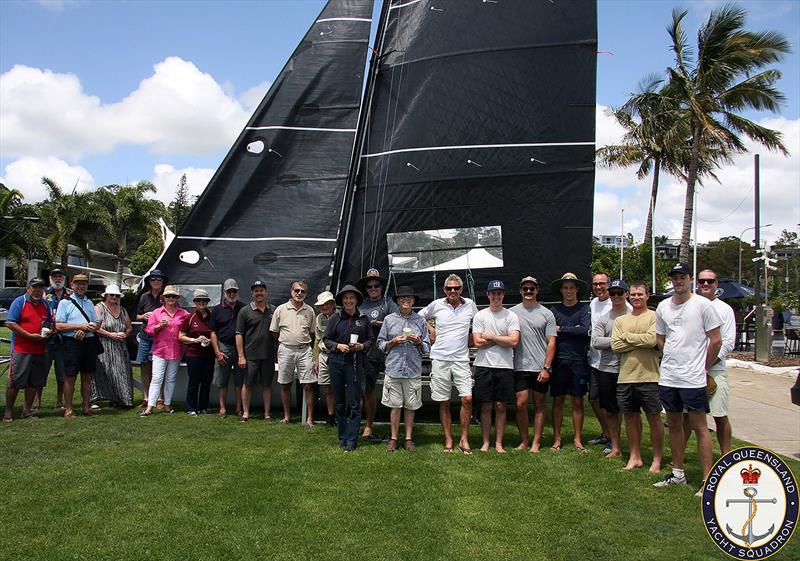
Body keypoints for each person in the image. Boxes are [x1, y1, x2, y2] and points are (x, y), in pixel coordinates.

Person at [654, 262, 721, 495]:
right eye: (675, 277)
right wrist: (670, 357)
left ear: (690, 279)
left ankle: (707, 480)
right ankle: (678, 473)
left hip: (693, 379)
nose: (678, 281)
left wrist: (704, 366)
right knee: (673, 423)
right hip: (669, 377)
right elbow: (660, 338)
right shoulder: (663, 306)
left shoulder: (703, 305)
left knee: (700, 427)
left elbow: (716, 339)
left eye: (682, 277)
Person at [418, 274, 478, 454]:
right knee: (443, 401)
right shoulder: (437, 304)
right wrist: (430, 329)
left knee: (467, 398)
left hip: (461, 359)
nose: (453, 291)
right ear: (444, 290)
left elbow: (481, 322)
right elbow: (419, 316)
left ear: (461, 289)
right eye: (449, 288)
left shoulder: (470, 305)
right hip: (440, 358)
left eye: (456, 288)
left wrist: (472, 337)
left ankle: (464, 438)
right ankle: (448, 439)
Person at [611, 281, 664, 473]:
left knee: (654, 418)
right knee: (630, 418)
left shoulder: (654, 317)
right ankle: (635, 457)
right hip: (626, 377)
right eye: (633, 294)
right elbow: (616, 346)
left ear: (647, 296)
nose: (636, 298)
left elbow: (652, 340)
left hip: (649, 376)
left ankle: (657, 459)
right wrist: (639, 340)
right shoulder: (620, 321)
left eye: (640, 294)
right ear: (628, 296)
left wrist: (627, 337)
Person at [377, 286, 430, 452]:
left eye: (409, 298)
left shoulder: (420, 321)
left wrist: (419, 342)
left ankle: (408, 439)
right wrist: (393, 342)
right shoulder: (389, 320)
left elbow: (427, 347)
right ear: (398, 301)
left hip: (412, 370)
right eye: (402, 298)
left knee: (410, 406)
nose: (406, 300)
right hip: (394, 368)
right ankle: (393, 438)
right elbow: (380, 344)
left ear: (413, 301)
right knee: (395, 406)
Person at [322, 285, 373, 452]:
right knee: (339, 403)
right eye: (345, 298)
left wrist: (361, 346)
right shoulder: (335, 318)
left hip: (355, 363)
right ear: (342, 301)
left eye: (352, 298)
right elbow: (326, 340)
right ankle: (342, 437)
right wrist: (338, 346)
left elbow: (370, 341)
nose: (349, 301)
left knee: (354, 403)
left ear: (357, 300)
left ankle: (352, 439)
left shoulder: (364, 319)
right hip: (336, 362)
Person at [472, 280, 520, 454]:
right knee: (485, 406)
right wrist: (502, 339)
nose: (496, 296)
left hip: (504, 366)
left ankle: (499, 443)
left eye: (499, 293)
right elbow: (477, 342)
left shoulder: (511, 316)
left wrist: (491, 336)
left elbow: (514, 341)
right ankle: (485, 442)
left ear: (503, 295)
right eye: (493, 293)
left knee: (500, 406)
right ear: (488, 295)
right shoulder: (480, 315)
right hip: (483, 365)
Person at [692, 269, 736, 455]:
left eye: (710, 281)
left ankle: (726, 456)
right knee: (688, 418)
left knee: (719, 416)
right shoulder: (691, 306)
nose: (706, 284)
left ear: (717, 284)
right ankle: (678, 460)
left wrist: (706, 365)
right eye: (702, 281)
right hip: (692, 371)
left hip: (714, 370)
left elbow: (727, 343)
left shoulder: (724, 310)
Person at [510, 276, 556, 453]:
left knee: (539, 404)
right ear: (520, 291)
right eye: (525, 289)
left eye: (532, 289)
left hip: (539, 367)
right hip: (519, 366)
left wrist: (547, 367)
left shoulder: (547, 314)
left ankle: (536, 442)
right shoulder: (512, 313)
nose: (528, 292)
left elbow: (551, 342)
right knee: (521, 404)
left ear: (537, 290)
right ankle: (524, 441)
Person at [549, 272, 591, 452]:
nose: (568, 291)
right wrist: (569, 329)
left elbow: (583, 330)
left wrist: (562, 329)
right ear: (561, 290)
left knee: (577, 400)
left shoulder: (584, 309)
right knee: (558, 400)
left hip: (578, 361)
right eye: (565, 288)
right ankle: (557, 439)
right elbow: (550, 332)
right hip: (559, 360)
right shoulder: (554, 311)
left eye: (572, 288)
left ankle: (578, 439)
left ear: (577, 290)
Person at [356, 268, 399, 441]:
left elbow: (397, 322)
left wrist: (381, 322)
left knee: (394, 389)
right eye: (370, 286)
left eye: (376, 285)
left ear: (382, 287)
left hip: (388, 351)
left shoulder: (389, 302)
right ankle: (368, 424)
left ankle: (395, 429)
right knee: (366, 389)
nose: (373, 289)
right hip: (368, 352)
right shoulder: (362, 304)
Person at [3, 278, 54, 421]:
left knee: (34, 382)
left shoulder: (45, 304)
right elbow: (10, 323)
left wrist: (50, 331)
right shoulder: (20, 302)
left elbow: (49, 323)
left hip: (39, 349)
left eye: (40, 288)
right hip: (21, 348)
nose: (38, 290)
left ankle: (27, 411)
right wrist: (29, 335)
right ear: (28, 288)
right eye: (35, 287)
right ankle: (8, 412)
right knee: (15, 382)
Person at [590, 279, 630, 458]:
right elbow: (596, 341)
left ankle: (633, 447)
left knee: (630, 411)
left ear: (625, 294)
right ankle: (615, 446)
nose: (615, 296)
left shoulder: (633, 314)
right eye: (612, 293)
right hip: (606, 369)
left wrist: (613, 342)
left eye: (619, 293)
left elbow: (643, 339)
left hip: (629, 369)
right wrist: (622, 341)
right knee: (610, 410)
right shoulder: (604, 318)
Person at [270, 280, 316, 426]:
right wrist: (286, 342)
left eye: (302, 291)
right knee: (285, 384)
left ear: (306, 294)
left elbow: (312, 333)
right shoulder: (281, 309)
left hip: (304, 350)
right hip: (285, 350)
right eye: (296, 290)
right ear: (291, 291)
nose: (299, 293)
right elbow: (274, 332)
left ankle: (309, 418)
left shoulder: (310, 310)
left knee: (308, 385)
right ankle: (287, 416)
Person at [139, 285, 189, 417]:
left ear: (177, 298)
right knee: (156, 378)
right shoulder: (156, 313)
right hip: (160, 350)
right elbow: (148, 330)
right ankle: (150, 406)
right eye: (168, 296)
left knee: (171, 379)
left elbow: (192, 323)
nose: (171, 298)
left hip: (176, 350)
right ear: (164, 298)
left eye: (173, 296)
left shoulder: (183, 314)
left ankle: (167, 404)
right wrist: (159, 326)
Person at [237, 280, 277, 422]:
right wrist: (241, 356)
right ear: (252, 293)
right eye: (256, 291)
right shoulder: (244, 311)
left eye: (261, 290)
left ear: (266, 292)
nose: (259, 293)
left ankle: (267, 414)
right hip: (250, 356)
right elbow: (239, 334)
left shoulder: (273, 310)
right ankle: (246, 413)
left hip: (268, 355)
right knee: (247, 384)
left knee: (267, 384)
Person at [92, 284, 134, 408]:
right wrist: (110, 335)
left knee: (121, 372)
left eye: (116, 295)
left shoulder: (122, 310)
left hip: (120, 346)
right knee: (103, 372)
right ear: (106, 296)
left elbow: (129, 327)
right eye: (112, 295)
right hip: (103, 345)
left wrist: (124, 335)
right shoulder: (99, 308)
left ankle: (122, 399)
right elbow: (96, 327)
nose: (114, 297)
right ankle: (96, 399)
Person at [210, 278, 246, 418]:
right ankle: (222, 408)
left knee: (239, 379)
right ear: (224, 292)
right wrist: (217, 352)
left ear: (237, 292)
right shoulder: (217, 310)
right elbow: (213, 332)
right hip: (224, 346)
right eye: (229, 291)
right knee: (222, 379)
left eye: (234, 291)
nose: (232, 293)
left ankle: (238, 408)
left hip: (240, 348)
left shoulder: (243, 308)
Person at [38, 267, 70, 410]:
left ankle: (59, 400)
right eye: (55, 276)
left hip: (63, 339)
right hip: (46, 338)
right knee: (41, 371)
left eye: (60, 276)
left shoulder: (69, 294)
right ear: (50, 278)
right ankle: (37, 401)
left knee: (62, 372)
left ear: (64, 278)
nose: (58, 279)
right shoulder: (44, 294)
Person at [179, 289, 215, 416]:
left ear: (207, 302)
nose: (201, 302)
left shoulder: (212, 317)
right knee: (194, 382)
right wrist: (195, 340)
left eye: (204, 300)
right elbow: (181, 336)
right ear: (194, 302)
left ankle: (203, 406)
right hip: (193, 355)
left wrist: (211, 341)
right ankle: (191, 408)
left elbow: (216, 333)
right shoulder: (189, 317)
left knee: (206, 382)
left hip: (209, 355)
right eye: (198, 300)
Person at [587, 272, 612, 446]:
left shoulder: (617, 303)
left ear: (608, 284)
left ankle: (613, 438)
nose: (598, 287)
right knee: (593, 399)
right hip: (594, 360)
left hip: (612, 362)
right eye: (595, 284)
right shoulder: (593, 303)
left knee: (610, 403)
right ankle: (606, 432)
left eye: (602, 284)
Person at [135, 269, 166, 408]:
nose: (156, 282)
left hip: (160, 337)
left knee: (157, 368)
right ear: (149, 281)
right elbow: (137, 316)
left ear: (163, 282)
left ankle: (159, 398)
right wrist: (144, 316)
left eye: (159, 280)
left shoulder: (166, 296)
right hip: (145, 336)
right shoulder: (144, 297)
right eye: (153, 279)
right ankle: (146, 397)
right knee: (144, 366)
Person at [313, 291, 337, 427]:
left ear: (332, 304)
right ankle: (331, 416)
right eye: (322, 305)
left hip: (337, 355)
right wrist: (315, 360)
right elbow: (317, 340)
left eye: (327, 304)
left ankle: (342, 414)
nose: (325, 307)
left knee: (341, 387)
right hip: (323, 355)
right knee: (328, 388)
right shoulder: (319, 318)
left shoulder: (340, 316)